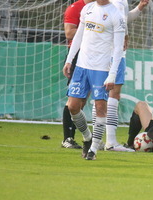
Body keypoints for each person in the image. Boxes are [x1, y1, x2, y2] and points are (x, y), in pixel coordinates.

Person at [63, 0, 126, 160]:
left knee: (100, 107)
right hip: (82, 67)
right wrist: (70, 60)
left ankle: (93, 149)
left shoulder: (116, 14)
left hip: (101, 68)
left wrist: (112, 74)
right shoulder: (87, 9)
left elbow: (119, 48)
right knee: (73, 106)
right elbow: (78, 36)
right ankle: (87, 137)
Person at [100, 0, 150, 152]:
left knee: (100, 95)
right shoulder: (119, 1)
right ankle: (111, 142)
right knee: (113, 94)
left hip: (100, 52)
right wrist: (126, 35)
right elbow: (120, 20)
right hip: (114, 52)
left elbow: (123, 17)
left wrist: (139, 8)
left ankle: (94, 139)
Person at [61, 0, 95, 149]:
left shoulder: (100, 8)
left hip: (94, 56)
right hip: (78, 56)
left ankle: (83, 137)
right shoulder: (75, 8)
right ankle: (67, 138)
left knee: (82, 101)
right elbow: (69, 33)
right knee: (73, 100)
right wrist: (93, 28)